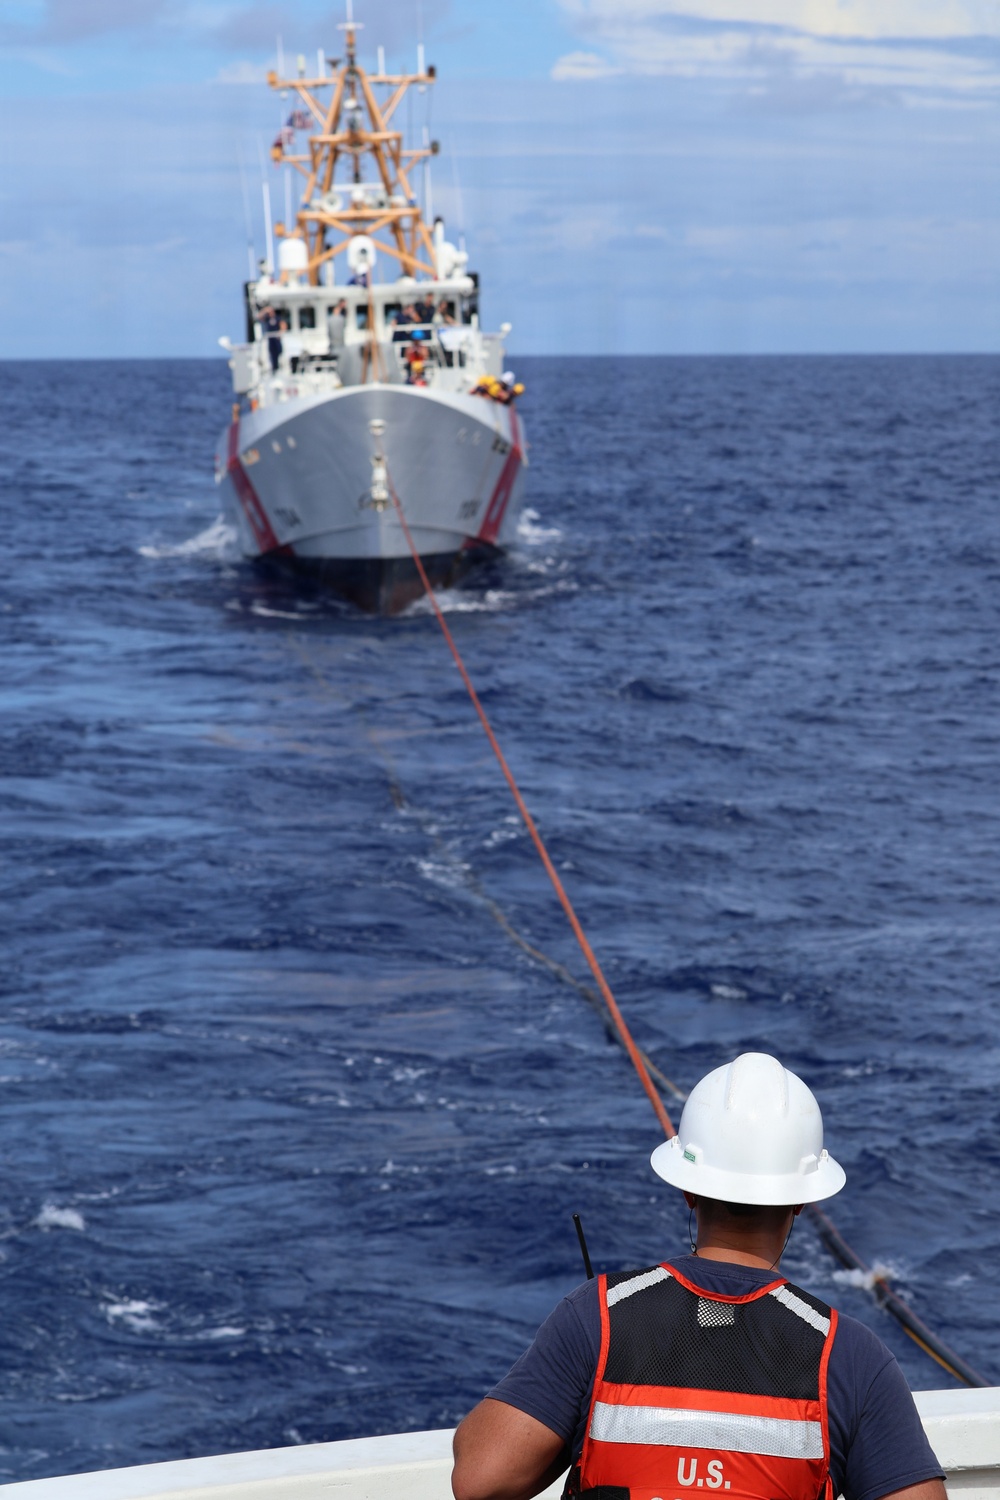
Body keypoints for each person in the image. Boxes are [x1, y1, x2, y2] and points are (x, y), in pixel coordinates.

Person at [452, 1053, 947, 1500]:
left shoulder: (596, 1317)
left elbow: (481, 1480)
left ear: (688, 1190)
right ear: (801, 1200)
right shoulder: (849, 1356)